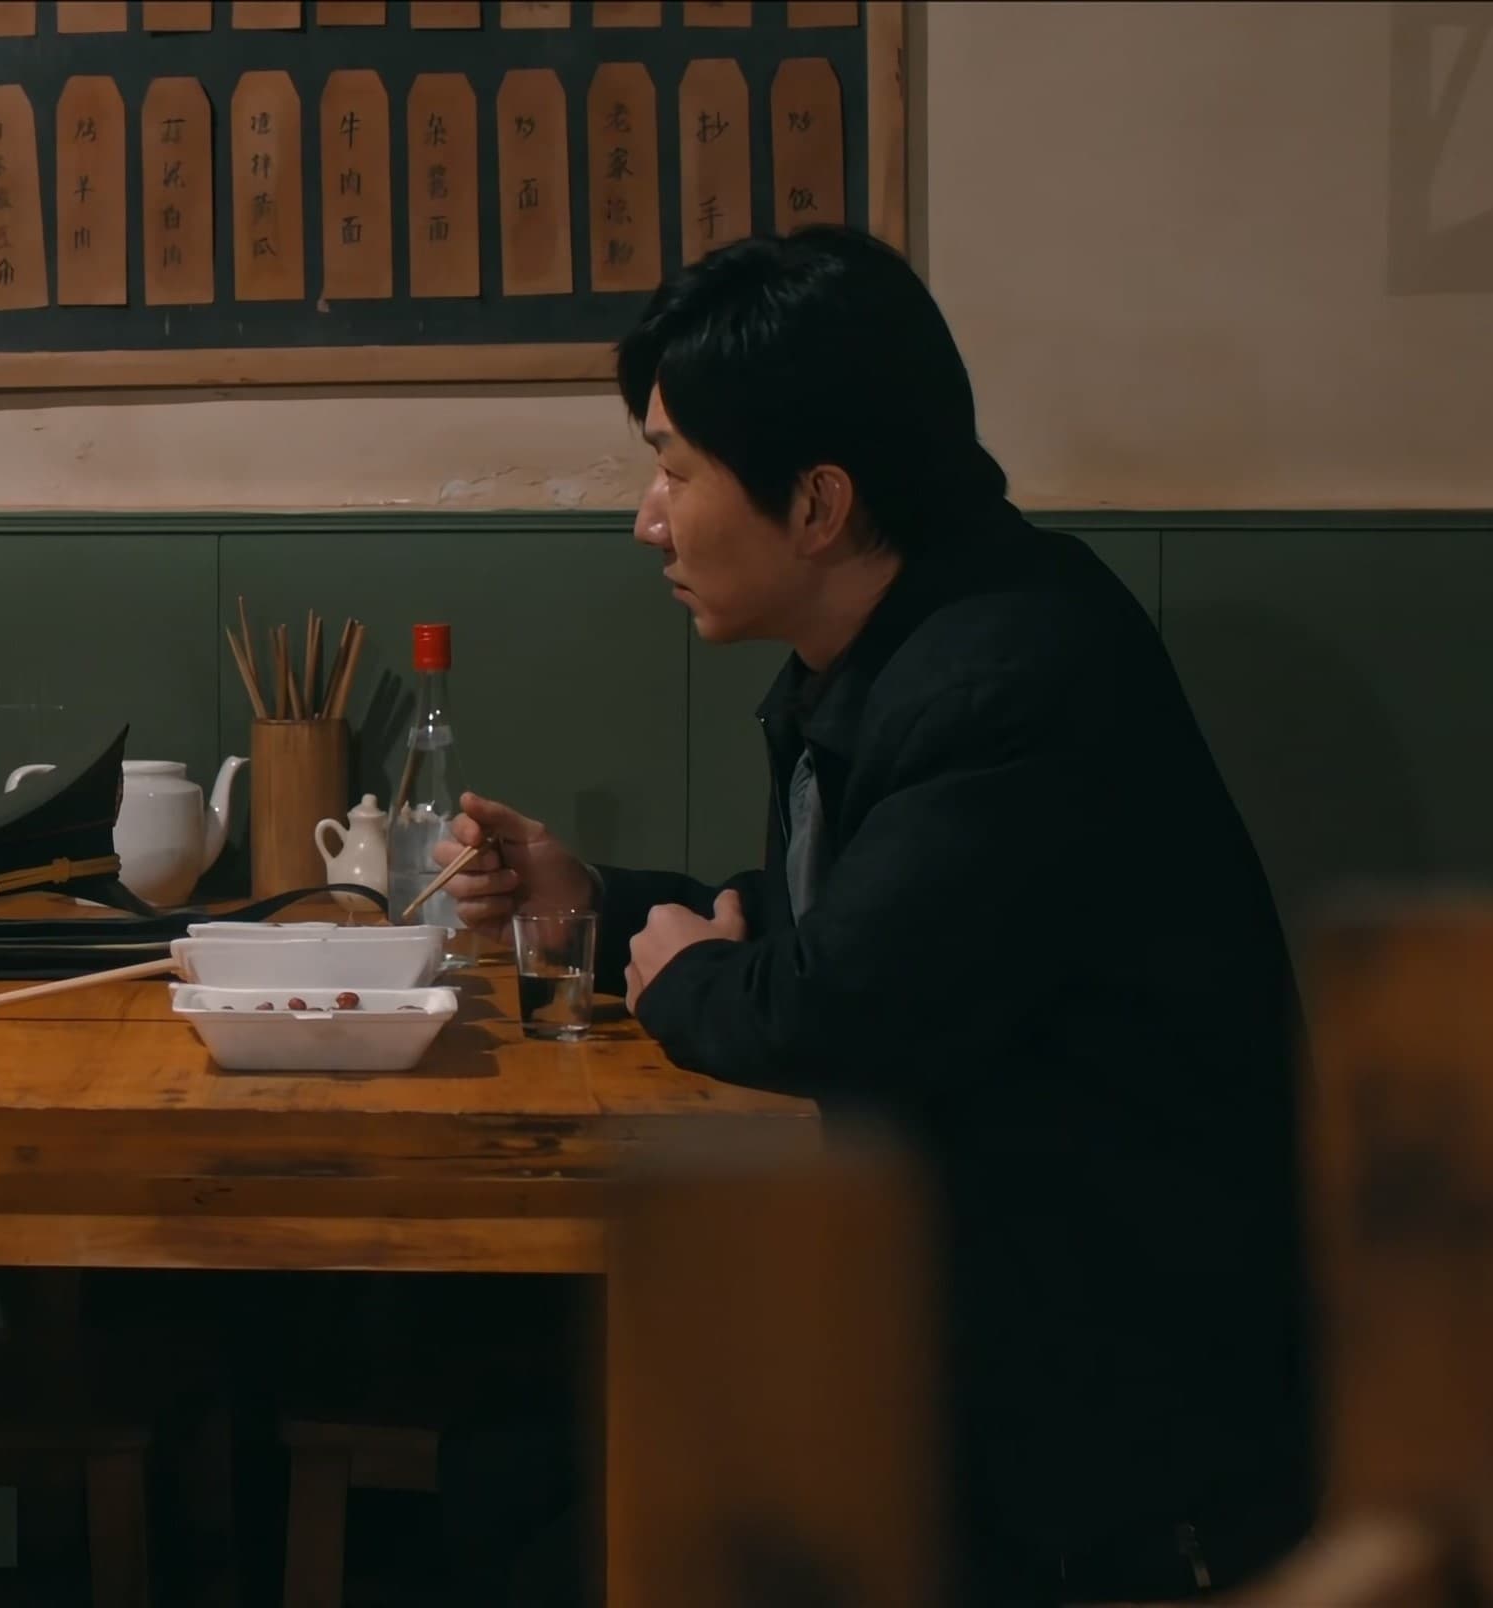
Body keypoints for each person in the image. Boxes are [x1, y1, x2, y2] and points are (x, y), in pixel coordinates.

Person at [436, 227, 1316, 1604]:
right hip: (987, 1336)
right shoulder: (919, 637)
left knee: (569, 1503)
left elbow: (832, 1005)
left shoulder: (1004, 674)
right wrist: (595, 906)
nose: (646, 521)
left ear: (817, 504)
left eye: (673, 471)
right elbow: (832, 925)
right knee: (530, 1473)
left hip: (1095, 1428)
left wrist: (687, 980)